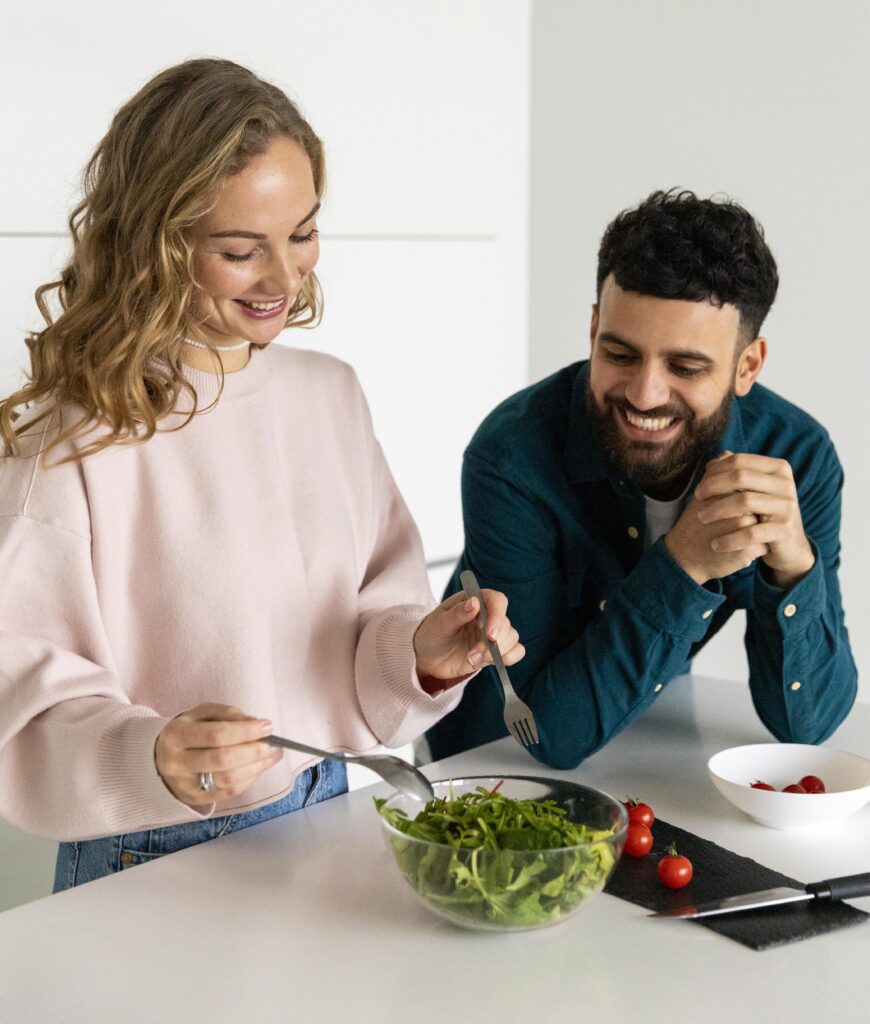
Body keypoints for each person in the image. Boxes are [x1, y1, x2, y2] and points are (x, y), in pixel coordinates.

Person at [0, 58, 523, 888]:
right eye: (242, 250)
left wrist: (422, 653)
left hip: (331, 811)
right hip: (154, 850)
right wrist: (155, 757)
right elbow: (22, 700)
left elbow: (362, 628)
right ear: (156, 246)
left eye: (303, 232)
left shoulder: (330, 396)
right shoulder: (71, 439)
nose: (286, 279)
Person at [426, 189, 856, 768]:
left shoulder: (796, 457)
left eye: (685, 367)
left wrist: (795, 571)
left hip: (644, 751)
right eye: (621, 355)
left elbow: (809, 724)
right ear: (594, 327)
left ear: (746, 366)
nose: (644, 394)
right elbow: (542, 734)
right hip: (485, 763)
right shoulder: (512, 456)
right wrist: (686, 565)